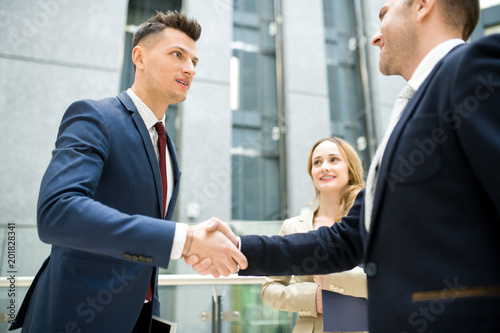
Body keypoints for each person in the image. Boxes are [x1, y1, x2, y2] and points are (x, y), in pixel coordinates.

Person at [188, 1, 500, 332]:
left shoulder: (476, 69)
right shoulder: (411, 110)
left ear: (423, 6)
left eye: (383, 16)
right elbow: (344, 241)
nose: (375, 38)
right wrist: (238, 247)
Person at [10, 11, 247, 333]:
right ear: (139, 57)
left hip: (139, 317)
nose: (189, 68)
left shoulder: (166, 146)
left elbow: (144, 235)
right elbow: (58, 211)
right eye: (177, 54)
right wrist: (186, 239)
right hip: (75, 315)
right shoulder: (95, 117)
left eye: (194, 61)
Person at [261, 137, 367, 333]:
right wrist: (311, 297)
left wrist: (334, 279)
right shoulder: (293, 227)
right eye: (317, 162)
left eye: (334, 159)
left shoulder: (369, 221)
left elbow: (391, 280)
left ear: (350, 169)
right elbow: (269, 289)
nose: (324, 167)